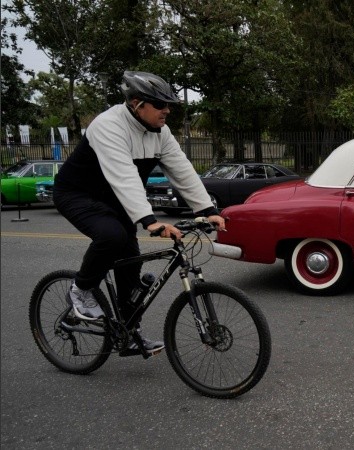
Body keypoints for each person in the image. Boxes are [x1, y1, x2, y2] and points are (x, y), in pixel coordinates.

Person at [53, 71, 226, 354]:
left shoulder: (161, 133)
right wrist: (149, 221)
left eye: (169, 105)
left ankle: (129, 333)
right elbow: (124, 176)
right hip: (78, 195)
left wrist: (206, 209)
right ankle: (81, 291)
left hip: (117, 201)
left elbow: (182, 170)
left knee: (130, 268)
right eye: (160, 105)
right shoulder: (108, 126)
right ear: (136, 103)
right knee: (111, 236)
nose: (167, 110)